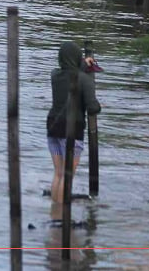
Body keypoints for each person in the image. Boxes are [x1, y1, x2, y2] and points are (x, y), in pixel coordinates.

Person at [46, 41, 101, 203]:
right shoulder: (84, 80)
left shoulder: (55, 75)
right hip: (72, 129)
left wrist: (83, 66)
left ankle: (55, 214)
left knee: (59, 174)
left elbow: (72, 74)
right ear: (77, 58)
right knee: (68, 176)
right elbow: (92, 108)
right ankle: (63, 215)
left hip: (52, 126)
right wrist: (99, 106)